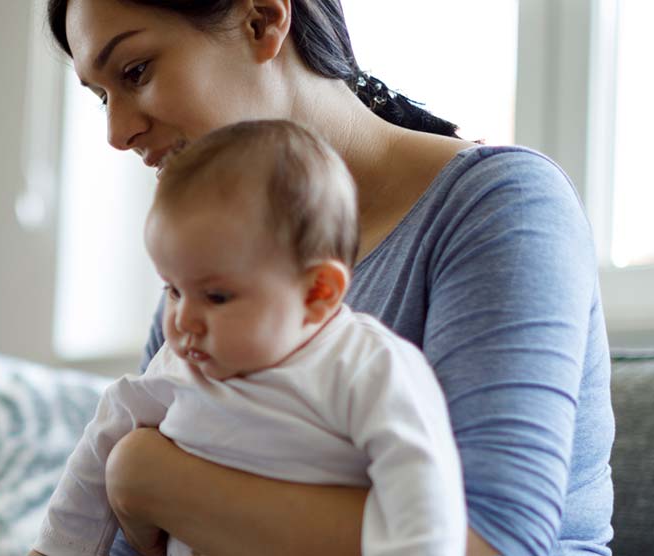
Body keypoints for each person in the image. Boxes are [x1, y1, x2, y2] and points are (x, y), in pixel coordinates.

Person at [0, 0, 614, 554]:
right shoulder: (205, 292)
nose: (117, 132)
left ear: (267, 20)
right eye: (99, 94)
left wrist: (149, 476)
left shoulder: (497, 208)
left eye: (137, 71)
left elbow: (490, 544)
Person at [32, 120, 464, 556]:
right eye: (173, 290)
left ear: (318, 293)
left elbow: (422, 499)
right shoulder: (180, 363)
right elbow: (98, 450)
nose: (183, 320)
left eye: (216, 296)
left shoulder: (367, 366)